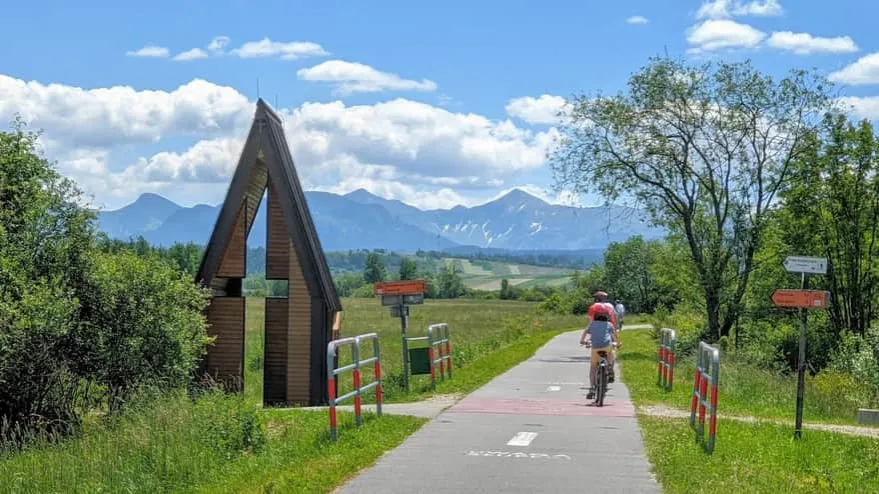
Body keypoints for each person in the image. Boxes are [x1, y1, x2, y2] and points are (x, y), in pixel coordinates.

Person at [580, 290, 621, 399]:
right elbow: (615, 319)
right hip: (610, 330)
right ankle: (611, 370)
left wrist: (588, 339)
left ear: (597, 298)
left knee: (593, 366)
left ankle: (592, 387)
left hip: (596, 332)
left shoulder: (593, 307)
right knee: (611, 353)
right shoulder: (611, 306)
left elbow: (590, 322)